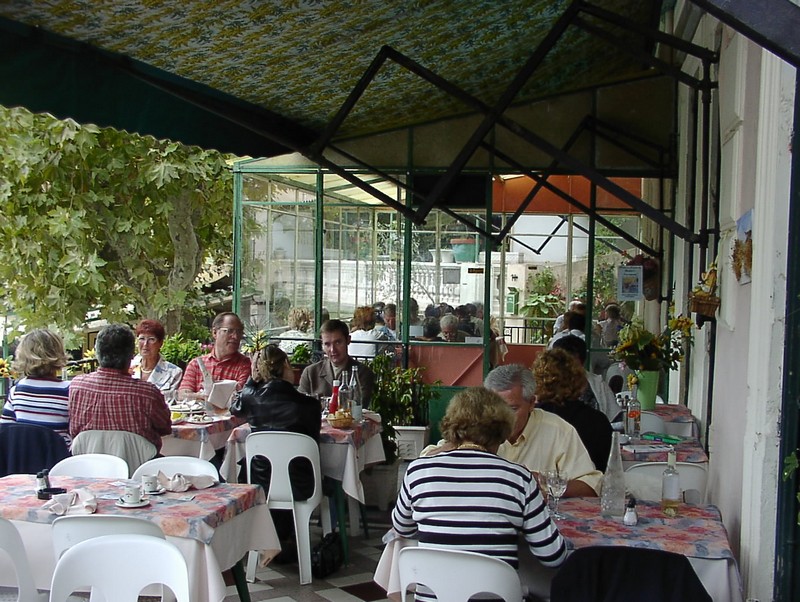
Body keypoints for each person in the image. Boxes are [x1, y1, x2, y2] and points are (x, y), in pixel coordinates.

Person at [392, 387, 567, 586]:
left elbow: (401, 528)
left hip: (433, 597)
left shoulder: (418, 471)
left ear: (453, 426)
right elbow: (553, 555)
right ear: (502, 431)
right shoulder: (519, 479)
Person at [231, 344, 320, 553]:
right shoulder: (309, 405)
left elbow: (235, 408)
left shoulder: (251, 398)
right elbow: (314, 443)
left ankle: (272, 539)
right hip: (301, 484)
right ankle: (285, 537)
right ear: (287, 365)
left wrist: (252, 379)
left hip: (260, 484)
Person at [484, 364, 602, 497]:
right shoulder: (476, 428)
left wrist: (544, 483)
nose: (501, 417)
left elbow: (590, 486)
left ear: (531, 403)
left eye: (512, 409)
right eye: (495, 408)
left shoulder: (558, 430)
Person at [69, 324, 171, 453]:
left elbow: (72, 430)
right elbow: (165, 428)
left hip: (87, 465)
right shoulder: (147, 393)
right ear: (131, 356)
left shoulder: (77, 386)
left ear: (97, 353)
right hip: (139, 467)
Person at [532, 349, 613, 472]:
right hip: (587, 488)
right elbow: (605, 468)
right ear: (579, 380)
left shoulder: (530, 420)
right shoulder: (598, 420)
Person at [0, 329, 72, 445]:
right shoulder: (69, 390)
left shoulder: (17, 390)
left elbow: (6, 430)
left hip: (24, 458)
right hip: (59, 459)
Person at [298, 319, 374, 408]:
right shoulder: (310, 373)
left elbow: (359, 406)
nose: (332, 349)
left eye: (338, 342)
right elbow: (299, 406)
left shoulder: (362, 373)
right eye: (327, 344)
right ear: (322, 345)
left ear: (348, 340)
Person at [179, 312, 252, 398]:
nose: (235, 336)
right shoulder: (196, 364)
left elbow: (238, 396)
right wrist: (203, 396)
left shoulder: (245, 364)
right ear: (214, 333)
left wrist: (200, 396)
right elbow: (182, 395)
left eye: (239, 332)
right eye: (229, 331)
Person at [552, 334, 621, 421]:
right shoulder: (549, 385)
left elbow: (615, 418)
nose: (565, 365)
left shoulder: (597, 384)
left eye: (568, 361)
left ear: (581, 361)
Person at [130, 319, 183, 396]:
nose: (145, 344)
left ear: (160, 343)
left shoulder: (174, 372)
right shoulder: (127, 367)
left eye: (151, 339)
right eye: (142, 339)